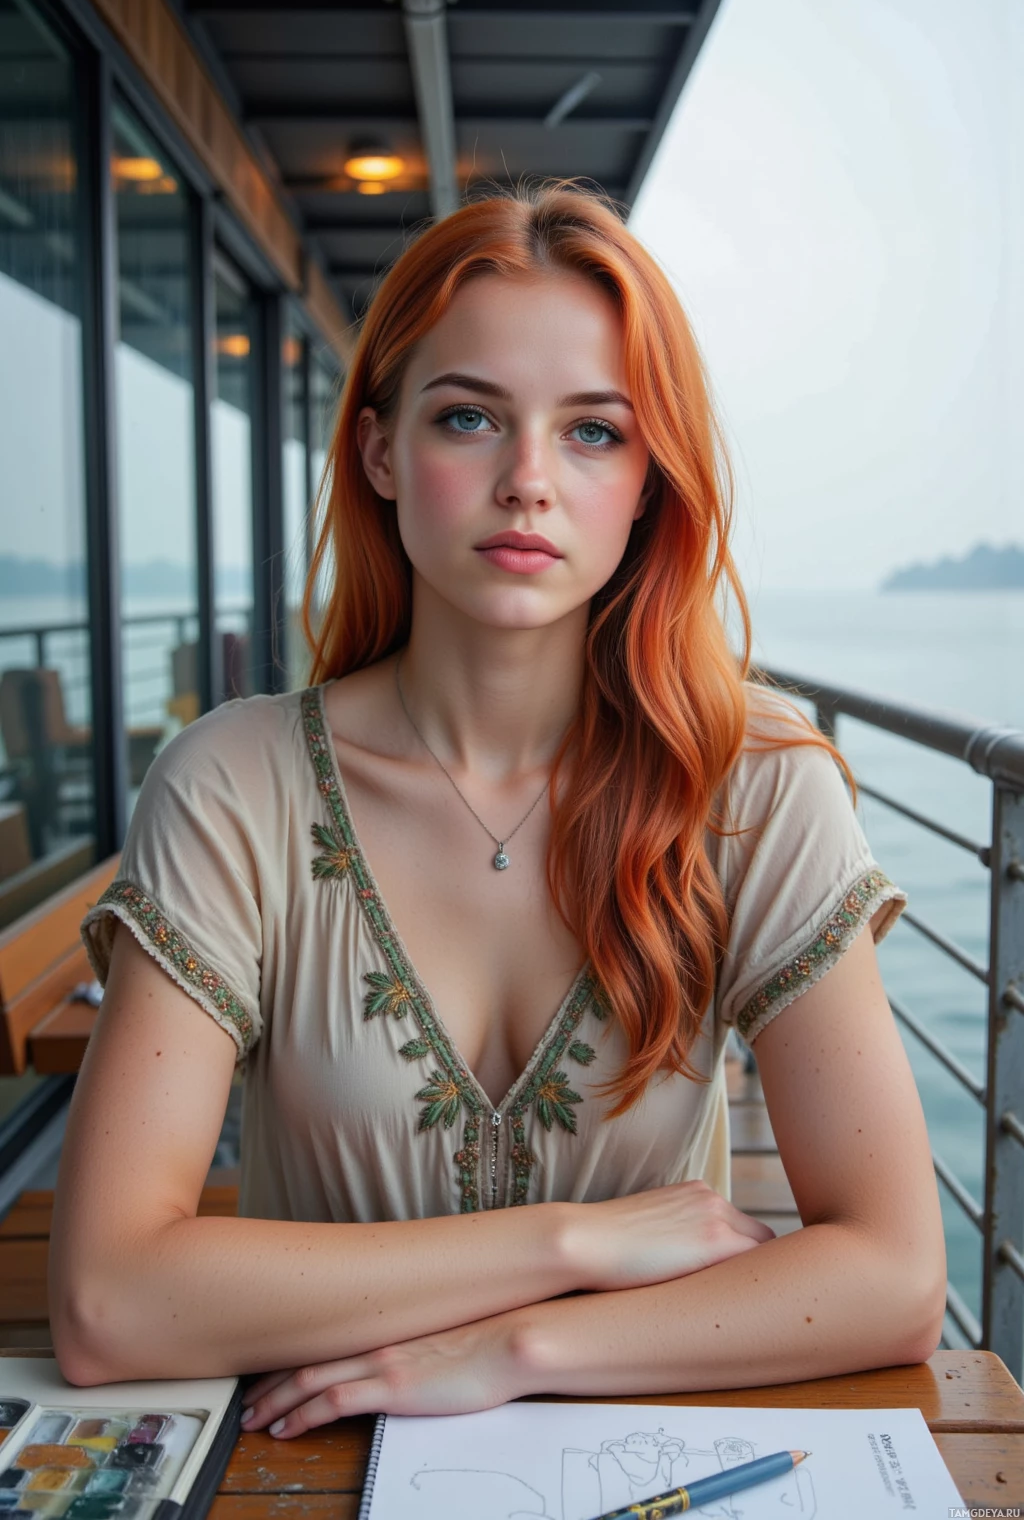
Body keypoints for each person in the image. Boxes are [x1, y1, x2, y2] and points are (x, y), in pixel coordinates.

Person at [50, 185, 945, 1432]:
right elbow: (107, 1299)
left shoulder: (754, 782)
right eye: (469, 417)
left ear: (648, 480)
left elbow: (896, 1277)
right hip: (301, 1470)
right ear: (376, 450)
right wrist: (575, 1240)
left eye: (593, 432)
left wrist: (515, 1347)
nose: (528, 481)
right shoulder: (232, 785)